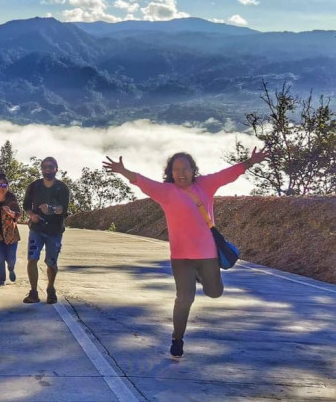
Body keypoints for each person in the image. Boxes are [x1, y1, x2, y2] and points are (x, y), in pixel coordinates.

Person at [103, 147, 268, 358]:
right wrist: (122, 170)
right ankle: (177, 339)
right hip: (181, 258)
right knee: (184, 298)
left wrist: (250, 162)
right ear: (170, 173)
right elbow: (141, 180)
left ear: (193, 170)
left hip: (208, 254)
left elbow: (228, 174)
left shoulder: (205, 186)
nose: (181, 173)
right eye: (176, 169)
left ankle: (201, 277)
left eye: (185, 169)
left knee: (215, 292)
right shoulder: (166, 192)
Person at [22, 157, 70, 304]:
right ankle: (34, 292)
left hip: (54, 231)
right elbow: (26, 205)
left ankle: (50, 288)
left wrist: (51, 209)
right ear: (41, 169)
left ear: (56, 169)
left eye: (51, 167)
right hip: (36, 229)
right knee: (32, 259)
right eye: (45, 167)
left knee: (51, 263)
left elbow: (63, 209)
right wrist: (32, 215)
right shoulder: (34, 186)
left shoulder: (62, 188)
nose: (47, 169)